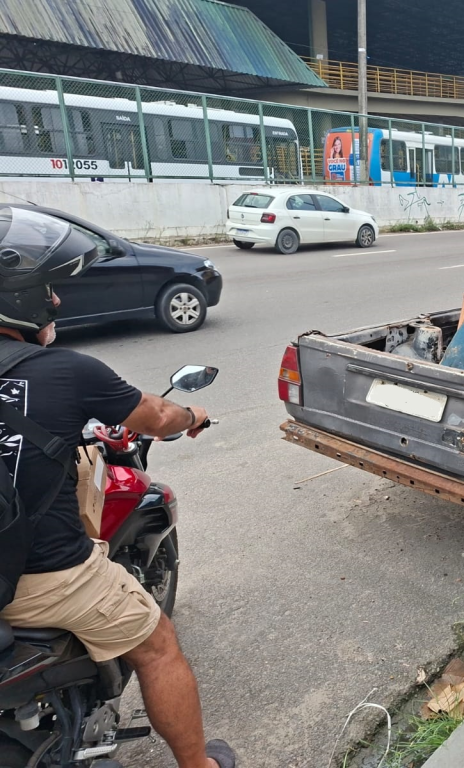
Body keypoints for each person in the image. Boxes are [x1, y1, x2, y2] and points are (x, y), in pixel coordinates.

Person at [0, 207, 235, 768]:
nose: (56, 299)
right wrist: (194, 414)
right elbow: (157, 415)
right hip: (41, 578)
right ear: (19, 299)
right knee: (159, 647)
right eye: (46, 289)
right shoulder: (64, 372)